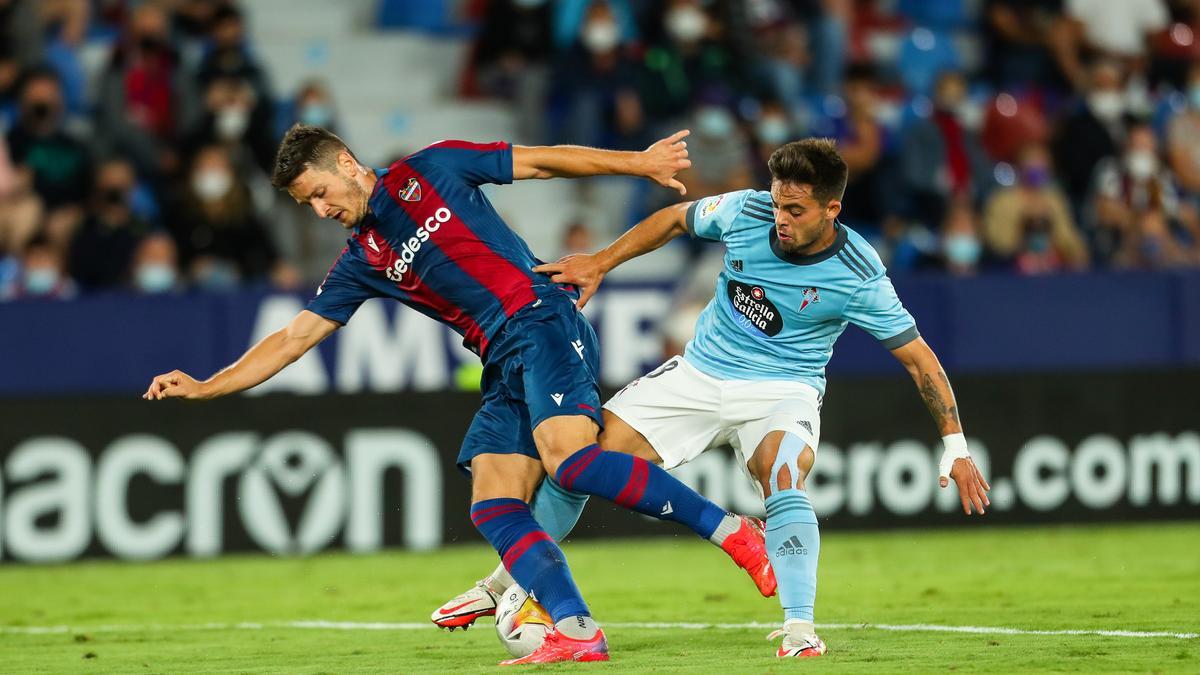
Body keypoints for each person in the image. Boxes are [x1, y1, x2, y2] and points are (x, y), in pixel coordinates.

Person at [143, 124, 774, 666]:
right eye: (306, 205)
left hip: (542, 319)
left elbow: (541, 160)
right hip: (501, 358)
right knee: (493, 504)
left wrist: (634, 163)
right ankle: (579, 632)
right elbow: (293, 337)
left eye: (318, 194)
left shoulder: (432, 168)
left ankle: (733, 532)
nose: (319, 210)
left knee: (572, 463)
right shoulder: (363, 258)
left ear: (345, 164)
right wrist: (207, 386)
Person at [437, 138, 992, 658]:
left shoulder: (859, 273)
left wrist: (955, 444)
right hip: (697, 375)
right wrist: (601, 261)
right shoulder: (745, 211)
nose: (781, 218)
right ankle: (501, 583)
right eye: (778, 203)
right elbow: (673, 220)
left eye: (796, 210)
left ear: (832, 210)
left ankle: (799, 628)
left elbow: (919, 358)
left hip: (783, 389)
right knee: (576, 462)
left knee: (781, 473)